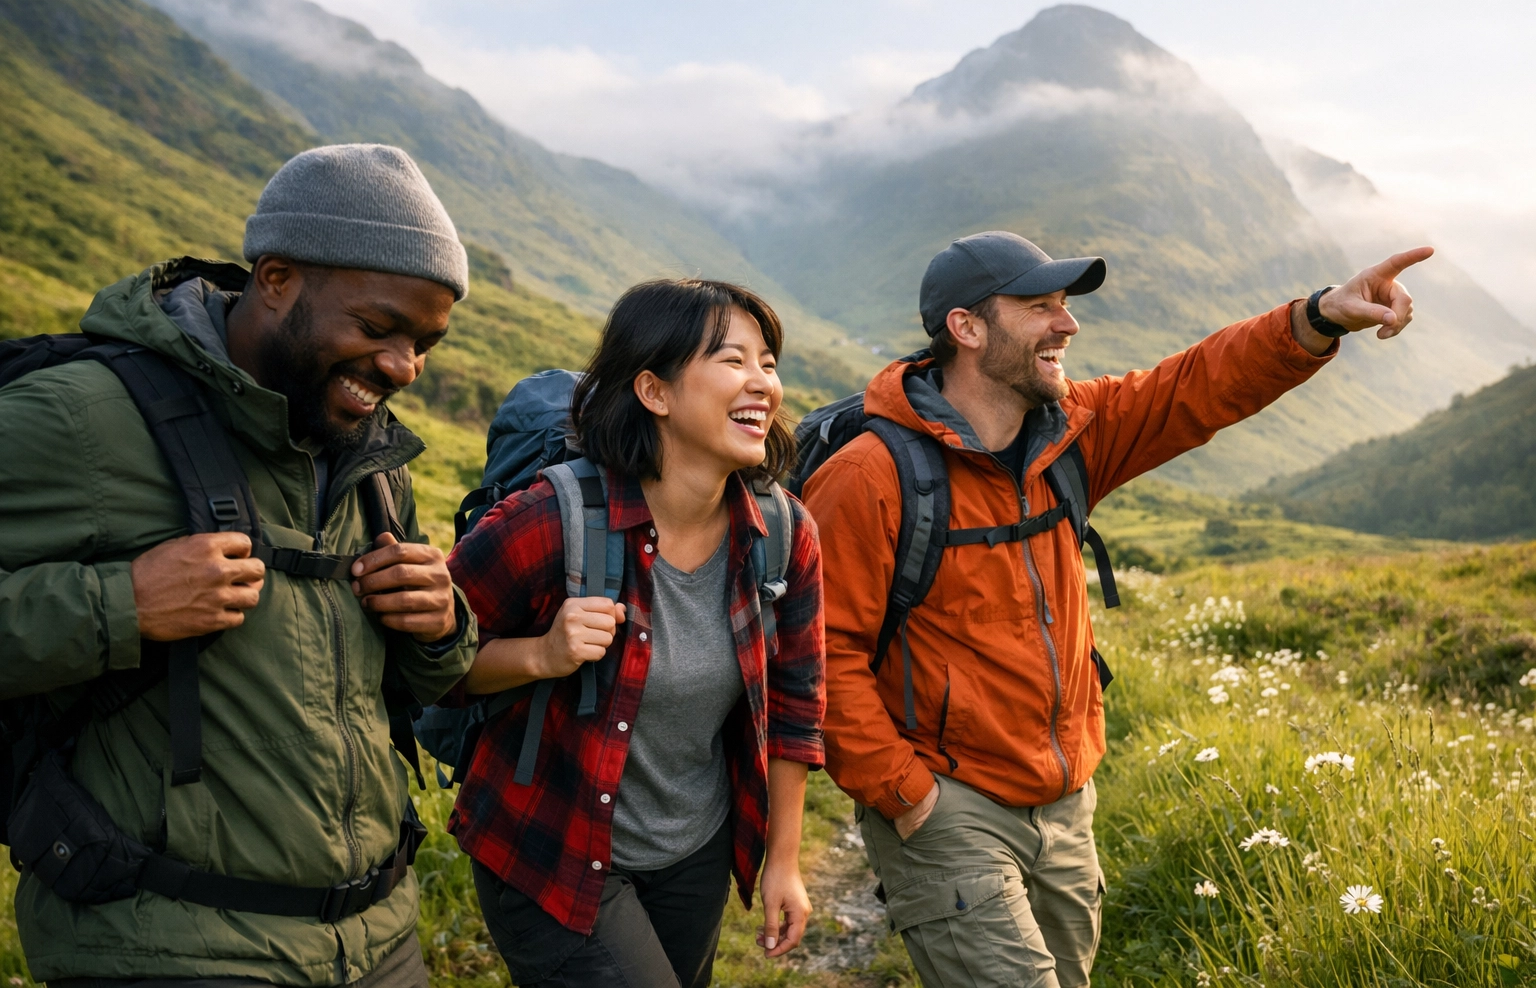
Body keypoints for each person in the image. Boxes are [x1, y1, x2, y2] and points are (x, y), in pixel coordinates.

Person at [801, 230, 1430, 988]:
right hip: (949, 804)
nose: (1067, 325)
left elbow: (1197, 385)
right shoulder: (869, 477)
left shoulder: (1070, 435)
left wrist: (1319, 316)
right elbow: (821, 656)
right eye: (1039, 307)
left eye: (1064, 306)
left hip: (1067, 800)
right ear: (966, 328)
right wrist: (907, 795)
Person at [0, 144, 479, 986]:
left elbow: (401, 686)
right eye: (377, 329)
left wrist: (441, 625)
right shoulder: (83, 418)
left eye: (426, 343)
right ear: (278, 277)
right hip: (171, 946)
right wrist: (121, 605)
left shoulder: (372, 462)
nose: (404, 367)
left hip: (378, 939)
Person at [445, 279, 826, 988]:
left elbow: (797, 704)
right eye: (732, 359)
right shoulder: (550, 519)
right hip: (550, 844)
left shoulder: (783, 534)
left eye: (768, 363)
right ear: (655, 391)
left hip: (694, 854)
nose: (762, 383)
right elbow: (429, 661)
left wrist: (783, 860)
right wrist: (541, 654)